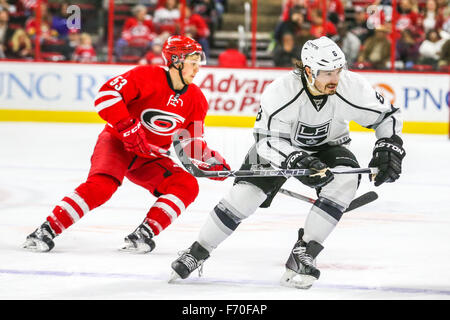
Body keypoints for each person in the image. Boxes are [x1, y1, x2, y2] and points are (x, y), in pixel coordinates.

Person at [170, 36, 405, 289]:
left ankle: (304, 254)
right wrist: (295, 160)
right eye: (326, 72)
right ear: (308, 70)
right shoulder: (280, 92)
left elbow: (387, 116)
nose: (335, 78)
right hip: (278, 148)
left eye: (338, 70)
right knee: (244, 196)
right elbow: (267, 142)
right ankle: (197, 251)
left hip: (330, 146)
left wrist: (387, 146)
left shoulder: (351, 86)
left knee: (345, 180)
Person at [22, 35, 230, 253]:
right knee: (102, 186)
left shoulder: (196, 99)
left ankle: (143, 234)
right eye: (193, 63)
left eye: (198, 64)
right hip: (117, 144)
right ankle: (46, 230)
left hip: (147, 157)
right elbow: (106, 95)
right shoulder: (146, 75)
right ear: (176, 61)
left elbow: (192, 143)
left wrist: (211, 163)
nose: (197, 69)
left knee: (186, 185)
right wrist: (128, 127)